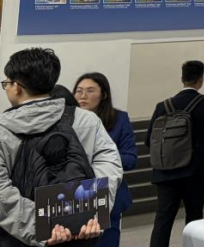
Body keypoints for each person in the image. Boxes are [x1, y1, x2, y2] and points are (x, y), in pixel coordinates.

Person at [0, 50, 122, 247]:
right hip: (84, 231)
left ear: (17, 87)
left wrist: (41, 227)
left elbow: (2, 193)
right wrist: (92, 212)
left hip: (21, 238)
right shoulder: (86, 120)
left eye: (6, 83)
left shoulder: (3, 129)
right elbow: (110, 164)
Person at [146, 60, 204, 247]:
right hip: (194, 172)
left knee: (163, 220)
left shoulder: (162, 106)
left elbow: (148, 140)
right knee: (194, 218)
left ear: (182, 78)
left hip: (165, 171)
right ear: (201, 79)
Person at [74, 73, 136, 247]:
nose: (83, 96)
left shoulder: (119, 119)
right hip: (75, 194)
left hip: (107, 193)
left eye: (90, 91)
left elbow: (130, 159)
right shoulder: (68, 120)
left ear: (104, 95)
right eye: (78, 91)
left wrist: (102, 159)